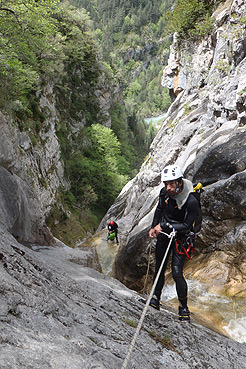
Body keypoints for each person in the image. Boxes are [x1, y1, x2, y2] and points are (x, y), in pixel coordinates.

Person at [148, 164, 199, 321]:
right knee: (159, 267)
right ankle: (156, 298)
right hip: (165, 233)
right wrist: (153, 227)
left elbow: (186, 225)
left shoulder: (191, 200)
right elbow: (159, 209)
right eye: (166, 184)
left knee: (176, 272)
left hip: (181, 237)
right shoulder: (165, 193)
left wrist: (162, 225)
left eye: (171, 184)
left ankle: (183, 308)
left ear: (179, 182)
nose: (168, 187)